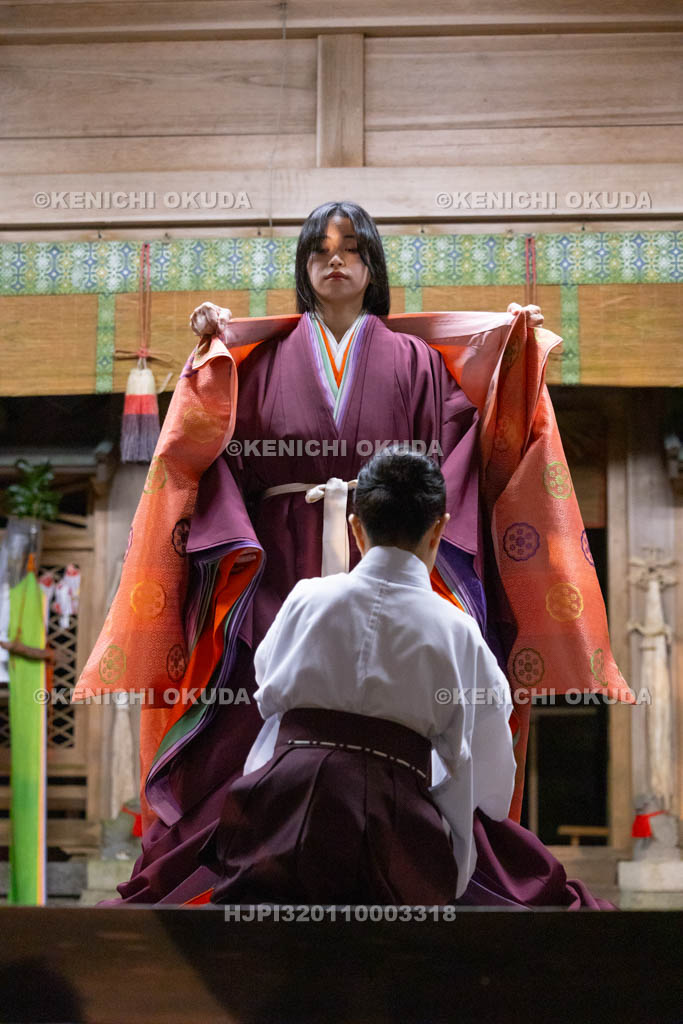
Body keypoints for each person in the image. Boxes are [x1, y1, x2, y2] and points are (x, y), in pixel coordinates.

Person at [81, 200, 627, 906]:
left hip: (388, 547)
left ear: (372, 267)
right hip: (276, 561)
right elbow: (217, 455)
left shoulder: (415, 361)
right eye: (318, 250)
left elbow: (458, 446)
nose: (333, 261)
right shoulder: (262, 358)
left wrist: (509, 351)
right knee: (249, 700)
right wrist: (214, 358)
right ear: (304, 269)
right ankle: (248, 846)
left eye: (350, 249)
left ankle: (391, 842)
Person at [200, 446, 516, 905]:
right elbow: (485, 770)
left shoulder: (307, 599)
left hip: (281, 807)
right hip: (395, 822)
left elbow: (268, 697)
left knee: (267, 944)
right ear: (439, 529)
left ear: (356, 528)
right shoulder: (458, 631)